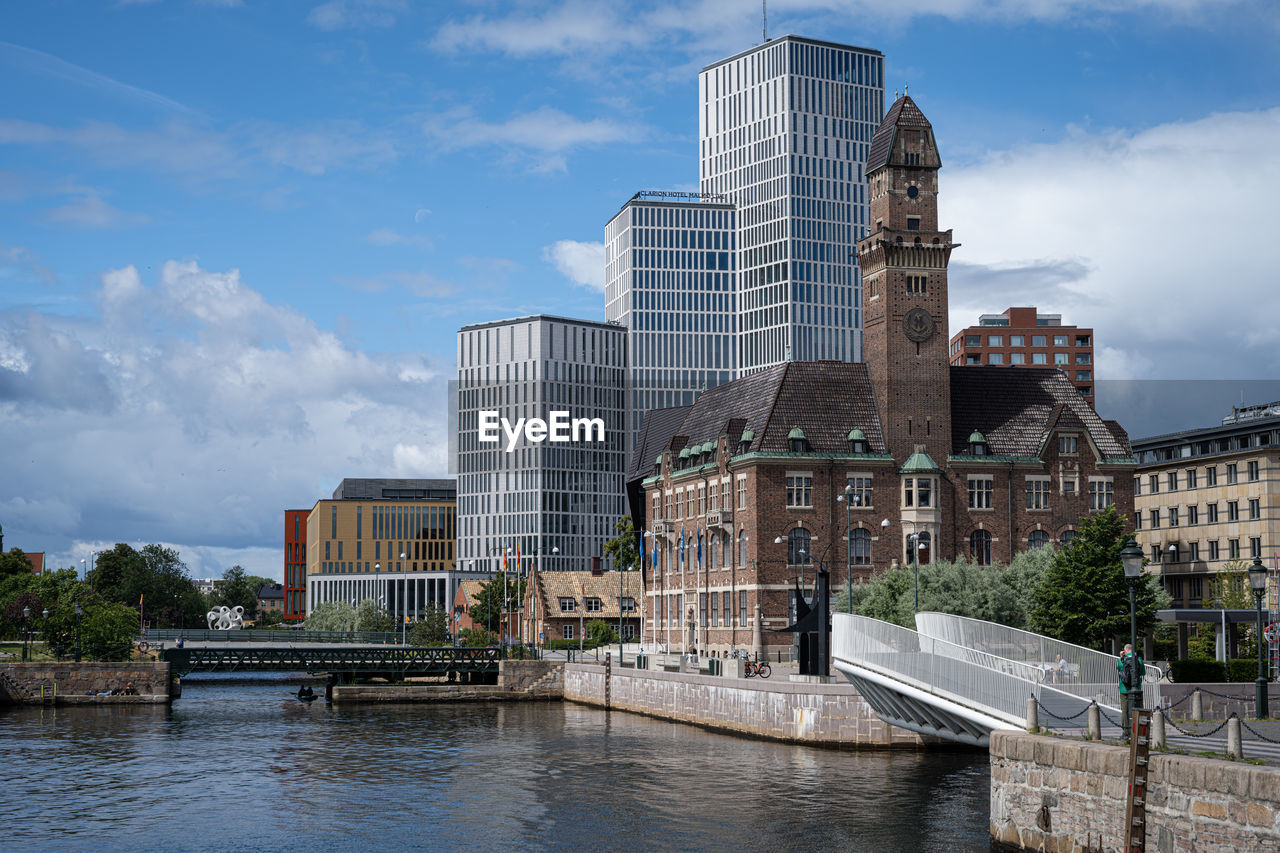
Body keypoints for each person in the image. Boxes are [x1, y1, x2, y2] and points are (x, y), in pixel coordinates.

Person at [1117, 643, 1144, 740]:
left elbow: (1120, 670)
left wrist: (1121, 657)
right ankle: (1138, 731)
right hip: (1136, 689)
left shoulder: (1121, 660)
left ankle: (1126, 732)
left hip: (1124, 689)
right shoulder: (1138, 659)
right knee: (1137, 710)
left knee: (1125, 711)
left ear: (1125, 651)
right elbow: (1142, 672)